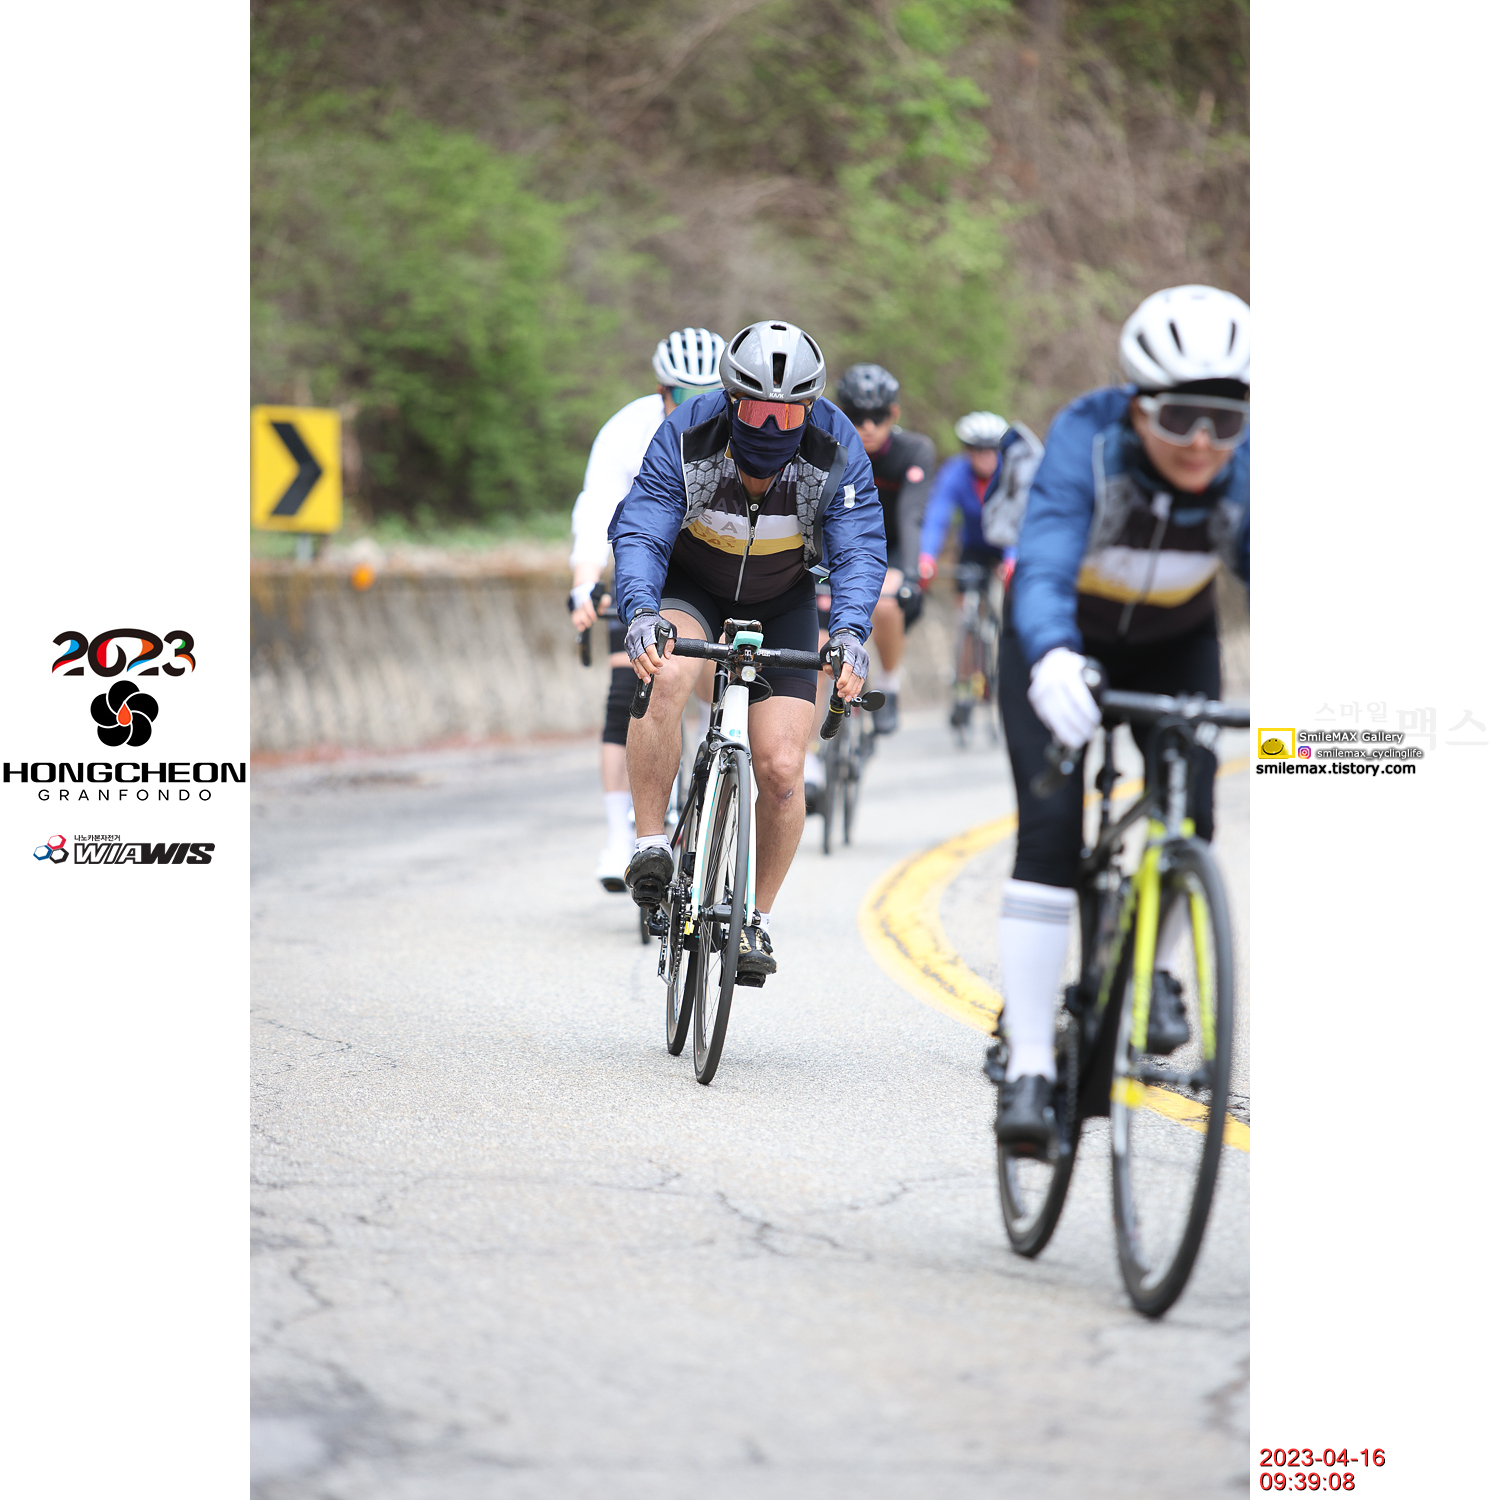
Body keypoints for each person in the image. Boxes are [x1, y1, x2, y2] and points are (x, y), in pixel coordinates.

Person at [994, 284, 1250, 1149]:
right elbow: (1043, 561)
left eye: (1225, 420)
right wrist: (1052, 655)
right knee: (1050, 835)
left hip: (1176, 642)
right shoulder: (1089, 437)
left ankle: (1155, 971)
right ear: (1140, 407)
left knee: (1195, 810)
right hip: (1062, 641)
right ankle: (1030, 1064)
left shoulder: (1246, 463)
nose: (1203, 442)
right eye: (1180, 418)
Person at [608, 319, 886, 981]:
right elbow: (643, 528)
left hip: (783, 597)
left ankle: (752, 917)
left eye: (788, 413)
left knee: (784, 770)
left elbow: (858, 548)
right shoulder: (689, 432)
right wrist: (641, 612)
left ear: (810, 408)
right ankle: (650, 844)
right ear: (731, 400)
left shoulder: (835, 446)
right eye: (758, 411)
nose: (772, 425)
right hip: (691, 586)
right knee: (665, 674)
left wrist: (850, 633)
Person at [569, 327, 725, 891]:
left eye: (711, 394)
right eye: (685, 396)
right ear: (662, 392)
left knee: (709, 677)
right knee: (625, 693)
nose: (698, 406)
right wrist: (585, 583)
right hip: (643, 568)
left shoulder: (736, 431)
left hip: (707, 568)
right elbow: (597, 510)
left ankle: (709, 768)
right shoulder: (626, 430)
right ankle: (620, 836)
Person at [833, 363, 935, 734]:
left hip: (891, 548)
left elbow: (911, 516)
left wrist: (910, 574)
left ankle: (889, 687)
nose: (868, 427)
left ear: (894, 414)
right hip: (839, 545)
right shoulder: (830, 448)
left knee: (887, 601)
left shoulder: (914, 450)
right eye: (856, 417)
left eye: (877, 417)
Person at [915, 409, 1044, 591]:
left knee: (1014, 592)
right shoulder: (955, 472)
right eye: (979, 450)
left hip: (1007, 542)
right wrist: (927, 555)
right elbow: (937, 515)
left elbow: (1019, 517)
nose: (986, 456)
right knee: (966, 590)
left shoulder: (1011, 473)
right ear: (968, 451)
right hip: (973, 545)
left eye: (992, 449)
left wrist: (1011, 558)